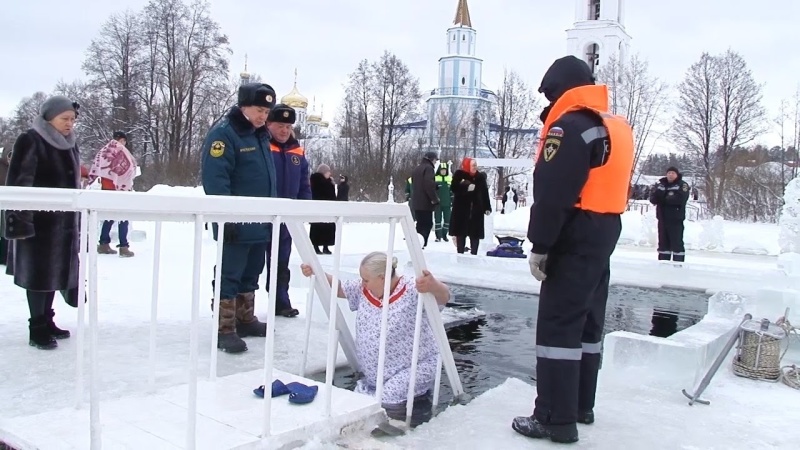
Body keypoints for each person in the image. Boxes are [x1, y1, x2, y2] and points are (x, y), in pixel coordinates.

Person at [513, 56, 634, 444]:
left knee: (558, 325)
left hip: (575, 230)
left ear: (557, 89)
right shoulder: (612, 126)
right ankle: (581, 403)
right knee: (587, 322)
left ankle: (553, 417)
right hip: (606, 227)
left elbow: (553, 194)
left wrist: (541, 245)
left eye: (548, 95)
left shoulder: (568, 127)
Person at [299, 252, 450, 426]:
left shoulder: (411, 289)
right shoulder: (365, 289)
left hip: (413, 366)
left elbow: (443, 297)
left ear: (382, 278)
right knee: (364, 398)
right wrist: (316, 272)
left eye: (366, 279)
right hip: (379, 373)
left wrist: (434, 286)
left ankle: (397, 428)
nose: (362, 283)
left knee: (387, 398)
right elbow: (339, 288)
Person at [201, 82, 278, 353]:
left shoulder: (260, 136)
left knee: (252, 271)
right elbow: (215, 179)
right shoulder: (225, 135)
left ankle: (245, 318)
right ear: (243, 106)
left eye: (266, 111)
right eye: (259, 110)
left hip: (259, 220)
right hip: (234, 222)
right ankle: (224, 327)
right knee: (229, 273)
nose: (263, 116)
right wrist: (226, 217)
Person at [4, 95, 83, 349]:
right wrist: (19, 223)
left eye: (72, 119)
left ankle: (47, 320)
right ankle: (36, 327)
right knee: (37, 277)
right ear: (49, 117)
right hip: (37, 226)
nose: (70, 124)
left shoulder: (70, 143)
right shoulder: (30, 140)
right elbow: (18, 182)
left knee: (54, 275)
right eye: (65, 119)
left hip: (64, 225)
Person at [264, 104, 310, 318]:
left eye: (288, 126)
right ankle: (241, 308)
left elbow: (304, 183)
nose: (284, 130)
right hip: (260, 216)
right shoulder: (261, 145)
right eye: (280, 125)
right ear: (268, 124)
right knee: (251, 263)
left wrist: (304, 208)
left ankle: (281, 301)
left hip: (287, 219)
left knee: (281, 262)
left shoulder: (297, 151)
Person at [89, 131, 137, 258]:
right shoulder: (120, 150)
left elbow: (98, 167)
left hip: (106, 187)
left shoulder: (104, 150)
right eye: (124, 141)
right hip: (119, 188)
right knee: (123, 216)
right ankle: (123, 246)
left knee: (109, 216)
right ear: (122, 140)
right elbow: (129, 167)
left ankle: (103, 243)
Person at [449, 158, 491, 255]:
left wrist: (487, 207)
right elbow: (454, 189)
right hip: (462, 211)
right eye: (473, 165)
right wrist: (465, 188)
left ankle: (474, 253)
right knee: (461, 233)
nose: (475, 167)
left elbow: (485, 193)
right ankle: (460, 252)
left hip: (476, 211)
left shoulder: (480, 177)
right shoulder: (459, 175)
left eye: (476, 165)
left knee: (475, 234)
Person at [649, 166, 690, 262]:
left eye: (673, 173)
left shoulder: (682, 185)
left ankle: (678, 264)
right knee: (663, 243)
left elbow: (680, 199)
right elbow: (653, 199)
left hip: (675, 218)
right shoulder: (660, 185)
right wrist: (664, 197)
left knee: (676, 243)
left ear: (677, 175)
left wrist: (663, 198)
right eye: (669, 173)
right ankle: (663, 263)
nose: (670, 175)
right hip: (662, 218)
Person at [410, 151, 440, 248]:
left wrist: (434, 185)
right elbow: (427, 184)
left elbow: (418, 184)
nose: (436, 162)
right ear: (432, 159)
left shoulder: (417, 168)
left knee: (420, 224)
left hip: (416, 202)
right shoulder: (429, 168)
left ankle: (416, 245)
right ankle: (421, 245)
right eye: (435, 160)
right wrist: (434, 199)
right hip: (425, 203)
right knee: (427, 224)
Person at [309, 164, 336, 254]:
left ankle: (326, 246)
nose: (330, 173)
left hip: (328, 208)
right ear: (324, 172)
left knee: (328, 227)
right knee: (318, 227)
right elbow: (322, 193)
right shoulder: (317, 181)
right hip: (319, 208)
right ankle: (315, 246)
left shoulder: (328, 182)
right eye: (328, 172)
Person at [433, 162, 452, 242]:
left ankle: (445, 234)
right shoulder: (435, 178)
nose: (443, 172)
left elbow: (452, 191)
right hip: (438, 203)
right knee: (438, 220)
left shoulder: (450, 179)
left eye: (445, 170)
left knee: (447, 219)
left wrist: (452, 200)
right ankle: (438, 236)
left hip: (447, 203)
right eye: (442, 170)